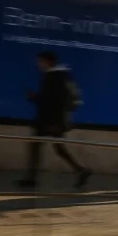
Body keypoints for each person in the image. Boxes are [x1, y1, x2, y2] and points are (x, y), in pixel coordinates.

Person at [18, 51, 90, 189]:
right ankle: (81, 170)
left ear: (47, 61)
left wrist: (33, 97)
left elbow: (50, 100)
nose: (38, 64)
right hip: (56, 120)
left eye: (40, 61)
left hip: (49, 121)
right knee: (58, 148)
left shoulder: (53, 76)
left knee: (36, 145)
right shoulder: (62, 75)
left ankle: (31, 178)